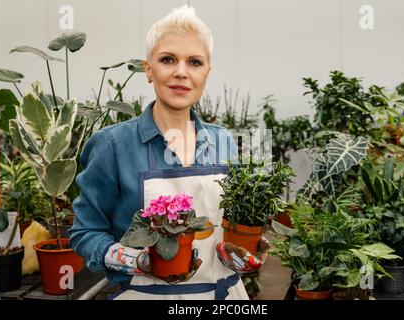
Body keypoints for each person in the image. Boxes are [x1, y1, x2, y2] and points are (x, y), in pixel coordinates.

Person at [69, 5, 269, 300]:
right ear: (149, 69)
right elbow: (85, 234)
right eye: (168, 59)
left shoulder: (223, 141)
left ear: (207, 73)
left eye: (195, 62)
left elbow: (235, 226)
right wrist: (137, 261)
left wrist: (244, 252)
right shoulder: (113, 145)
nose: (181, 72)